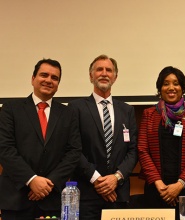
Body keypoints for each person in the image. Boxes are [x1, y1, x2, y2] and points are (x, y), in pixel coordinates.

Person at [0, 59, 82, 220]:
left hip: (52, 200)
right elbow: (5, 149)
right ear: (33, 79)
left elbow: (74, 152)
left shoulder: (68, 113)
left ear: (58, 84)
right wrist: (31, 180)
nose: (48, 80)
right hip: (16, 199)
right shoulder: (10, 109)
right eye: (44, 75)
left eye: (54, 78)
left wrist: (48, 184)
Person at [68, 54, 138, 220]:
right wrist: (98, 180)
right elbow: (73, 149)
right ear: (91, 75)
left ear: (115, 77)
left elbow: (133, 150)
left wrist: (116, 178)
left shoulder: (127, 110)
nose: (104, 73)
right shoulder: (76, 108)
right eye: (99, 69)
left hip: (118, 194)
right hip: (87, 194)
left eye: (109, 70)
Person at [137, 66, 185, 220]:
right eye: (166, 83)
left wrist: (179, 185)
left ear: (182, 88)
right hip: (155, 188)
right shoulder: (149, 115)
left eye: (176, 83)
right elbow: (142, 150)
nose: (171, 88)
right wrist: (159, 184)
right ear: (160, 88)